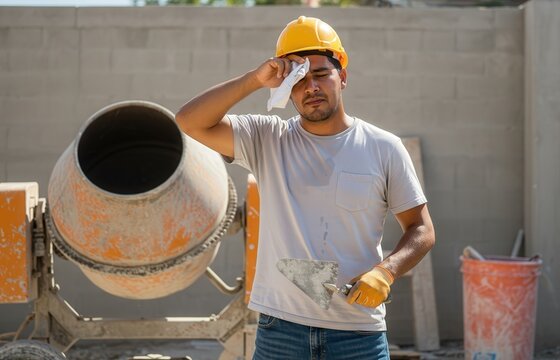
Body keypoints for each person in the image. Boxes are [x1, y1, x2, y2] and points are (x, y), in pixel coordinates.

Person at [176, 16, 435, 360]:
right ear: (285, 87)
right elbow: (188, 121)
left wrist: (386, 272)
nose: (310, 87)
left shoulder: (383, 147)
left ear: (342, 76)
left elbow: (421, 229)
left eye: (320, 74)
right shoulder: (267, 139)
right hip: (280, 332)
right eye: (298, 79)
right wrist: (256, 79)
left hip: (358, 336)